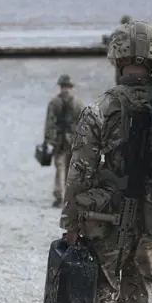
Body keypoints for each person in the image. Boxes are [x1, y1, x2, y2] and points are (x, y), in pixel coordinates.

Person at [59, 21, 152, 303]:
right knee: (140, 284)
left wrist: (72, 222)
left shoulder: (101, 108)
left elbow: (80, 172)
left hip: (107, 215)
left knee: (104, 290)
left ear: (119, 57)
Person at [43, 74, 85, 208]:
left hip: (59, 139)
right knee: (70, 167)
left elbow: (49, 123)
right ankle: (70, 195)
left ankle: (59, 195)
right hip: (73, 139)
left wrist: (48, 140)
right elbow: (84, 121)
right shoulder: (78, 103)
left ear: (60, 87)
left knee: (60, 166)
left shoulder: (54, 102)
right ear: (71, 87)